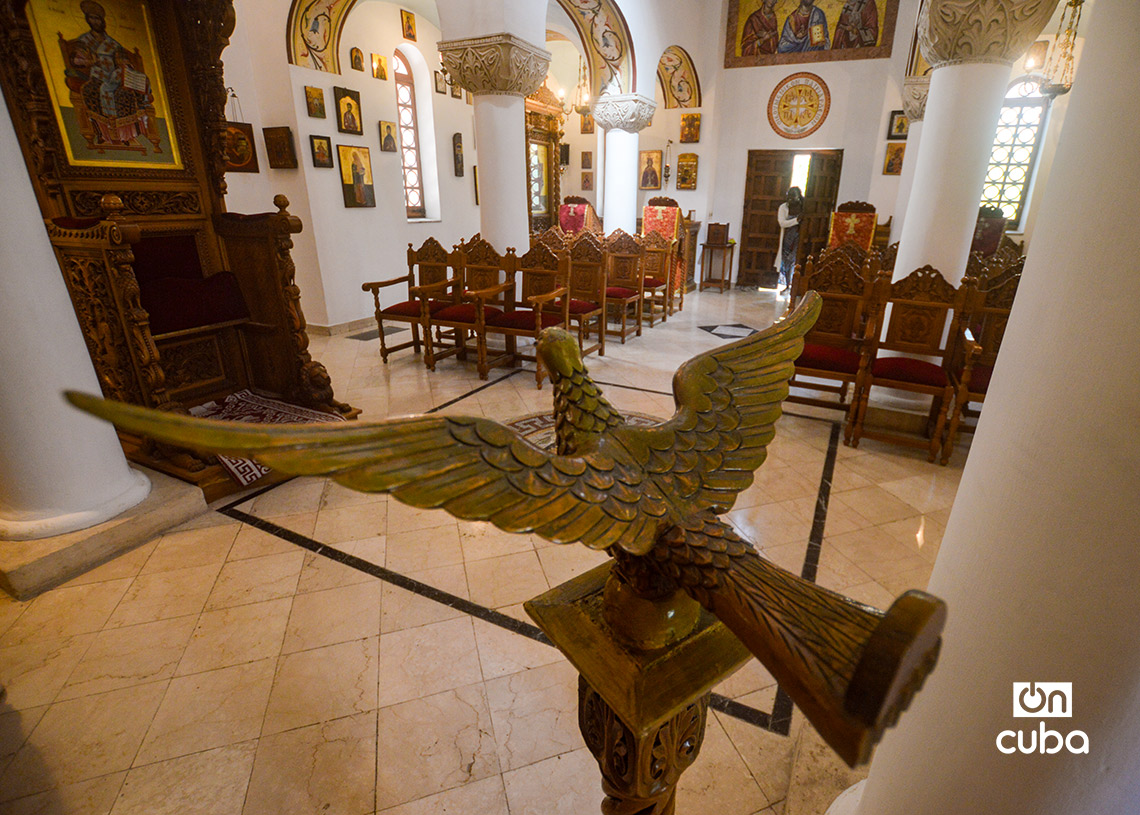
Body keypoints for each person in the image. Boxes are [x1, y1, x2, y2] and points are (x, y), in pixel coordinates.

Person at [66, 0, 154, 145]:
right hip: (96, 77)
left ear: (102, 21)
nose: (95, 21)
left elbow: (122, 58)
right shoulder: (84, 40)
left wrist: (124, 63)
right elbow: (75, 59)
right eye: (91, 18)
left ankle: (125, 135)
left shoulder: (112, 43)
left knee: (125, 94)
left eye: (97, 18)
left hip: (114, 77)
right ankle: (101, 133)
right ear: (87, 20)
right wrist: (87, 62)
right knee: (90, 91)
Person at [775, 187, 804, 294]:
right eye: (789, 196)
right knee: (787, 262)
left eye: (793, 196)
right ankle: (787, 285)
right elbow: (782, 223)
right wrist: (796, 220)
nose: (791, 199)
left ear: (799, 196)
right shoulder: (783, 207)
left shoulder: (804, 207)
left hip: (800, 238)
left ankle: (797, 288)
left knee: (798, 262)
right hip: (788, 238)